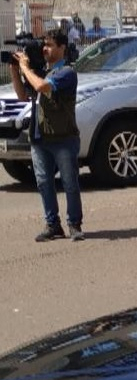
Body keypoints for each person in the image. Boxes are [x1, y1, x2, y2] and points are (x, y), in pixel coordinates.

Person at [9, 28, 84, 242]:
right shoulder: (40, 72)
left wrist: (25, 68)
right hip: (39, 138)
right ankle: (53, 225)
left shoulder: (67, 73)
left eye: (50, 45)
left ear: (62, 47)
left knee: (70, 183)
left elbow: (41, 87)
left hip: (63, 138)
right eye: (44, 45)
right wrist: (15, 71)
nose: (45, 49)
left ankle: (74, 224)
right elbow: (23, 96)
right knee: (43, 183)